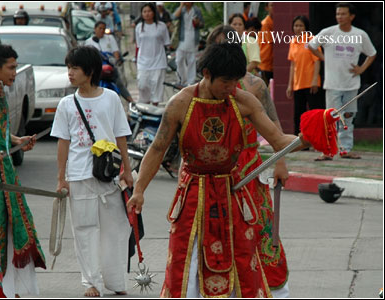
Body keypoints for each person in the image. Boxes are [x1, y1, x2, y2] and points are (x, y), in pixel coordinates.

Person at [126, 42, 311, 297]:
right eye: (225, 82)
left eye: (235, 81)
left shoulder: (244, 101)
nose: (231, 88)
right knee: (186, 265)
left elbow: (278, 141)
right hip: (192, 195)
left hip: (233, 193)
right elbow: (157, 149)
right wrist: (139, 190)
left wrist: (310, 137)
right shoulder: (180, 103)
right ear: (207, 74)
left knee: (243, 262)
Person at [208, 24, 290, 297]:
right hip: (215, 173)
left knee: (261, 228)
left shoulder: (255, 85)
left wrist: (280, 162)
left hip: (250, 167)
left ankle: (270, 288)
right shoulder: (201, 90)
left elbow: (276, 128)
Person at [51, 46, 133, 297]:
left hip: (108, 174)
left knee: (117, 227)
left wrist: (127, 170)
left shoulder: (110, 99)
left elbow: (121, 136)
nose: (70, 73)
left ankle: (116, 279)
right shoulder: (66, 104)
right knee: (85, 230)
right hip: (79, 176)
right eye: (69, 68)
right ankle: (91, 282)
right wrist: (61, 178)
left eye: (75, 68)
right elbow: (63, 143)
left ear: (90, 71)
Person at [0, 44, 45, 298]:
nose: (15, 72)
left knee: (10, 229)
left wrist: (15, 140)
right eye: (11, 68)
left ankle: (8, 287)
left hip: (5, 171)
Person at [309, 2, 376, 160]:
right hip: (333, 84)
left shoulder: (360, 35)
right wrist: (324, 58)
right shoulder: (328, 32)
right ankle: (327, 151)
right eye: (338, 14)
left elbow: (372, 53)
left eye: (343, 14)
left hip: (351, 84)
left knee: (348, 118)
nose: (339, 17)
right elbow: (311, 45)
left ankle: (346, 149)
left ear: (351, 16)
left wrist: (361, 68)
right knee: (331, 118)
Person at [286, 15, 324, 137]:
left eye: (301, 25)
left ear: (306, 27)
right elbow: (293, 64)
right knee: (299, 114)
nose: (298, 28)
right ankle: (301, 141)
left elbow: (317, 60)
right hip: (298, 84)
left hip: (311, 83)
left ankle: (318, 138)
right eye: (296, 25)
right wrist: (289, 85)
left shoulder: (312, 40)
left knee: (314, 112)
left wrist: (314, 80)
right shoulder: (293, 41)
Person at [85, 21, 135, 103]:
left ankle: (132, 102)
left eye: (103, 29)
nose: (102, 30)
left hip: (109, 66)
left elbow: (115, 52)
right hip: (96, 69)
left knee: (119, 83)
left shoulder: (110, 38)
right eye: (100, 28)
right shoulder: (89, 42)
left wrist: (116, 60)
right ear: (95, 29)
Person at [135, 3, 170, 105]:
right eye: (144, 12)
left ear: (154, 13)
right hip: (143, 62)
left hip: (158, 61)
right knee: (142, 84)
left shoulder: (161, 26)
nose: (147, 14)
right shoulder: (138, 27)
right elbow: (138, 45)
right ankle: (145, 104)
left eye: (149, 11)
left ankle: (154, 107)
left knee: (157, 86)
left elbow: (166, 42)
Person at [173, 2, 204, 87]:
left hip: (193, 38)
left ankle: (191, 81)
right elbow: (174, 17)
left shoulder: (196, 10)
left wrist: (198, 23)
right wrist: (181, 5)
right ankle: (182, 79)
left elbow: (202, 24)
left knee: (191, 61)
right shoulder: (181, 10)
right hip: (182, 38)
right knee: (179, 60)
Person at [258, 2, 274, 85]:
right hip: (265, 63)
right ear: (267, 8)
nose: (275, 8)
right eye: (272, 5)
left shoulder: (273, 22)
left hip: (271, 64)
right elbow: (273, 42)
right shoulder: (265, 24)